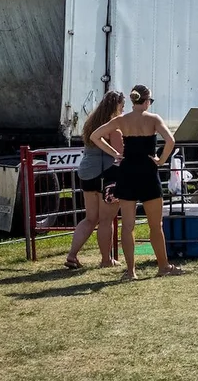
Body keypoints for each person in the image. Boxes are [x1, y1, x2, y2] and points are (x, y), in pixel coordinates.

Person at [91, 84, 182, 280]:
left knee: (128, 225)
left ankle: (131, 271)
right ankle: (163, 266)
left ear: (132, 100)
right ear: (147, 101)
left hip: (127, 171)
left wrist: (115, 154)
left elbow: (95, 136)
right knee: (155, 225)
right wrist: (161, 160)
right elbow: (171, 140)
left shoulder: (122, 120)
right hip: (148, 172)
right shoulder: (153, 119)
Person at [65, 90, 125, 269]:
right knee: (106, 220)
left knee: (90, 218)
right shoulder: (113, 127)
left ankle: (72, 255)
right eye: (122, 106)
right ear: (116, 106)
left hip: (86, 172)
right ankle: (106, 260)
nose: (123, 109)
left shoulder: (91, 121)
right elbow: (120, 155)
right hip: (106, 174)